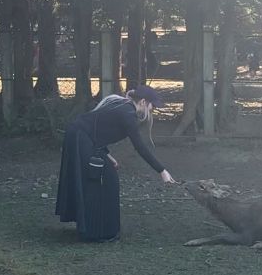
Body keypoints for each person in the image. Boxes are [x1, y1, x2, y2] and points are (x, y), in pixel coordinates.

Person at [55, 85, 176, 242]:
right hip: (79, 137)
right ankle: (95, 232)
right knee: (100, 180)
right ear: (143, 102)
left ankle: (97, 229)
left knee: (106, 179)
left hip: (83, 137)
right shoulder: (128, 113)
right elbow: (139, 146)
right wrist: (162, 171)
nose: (153, 110)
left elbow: (98, 129)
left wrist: (107, 155)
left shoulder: (123, 107)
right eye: (152, 105)